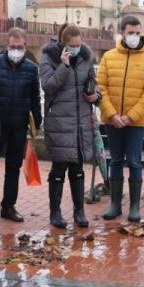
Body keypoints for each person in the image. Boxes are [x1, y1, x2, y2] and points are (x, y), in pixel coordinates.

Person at [96, 15, 144, 223]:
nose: (134, 36)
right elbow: (101, 87)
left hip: (136, 122)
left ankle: (134, 206)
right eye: (130, 32)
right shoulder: (109, 57)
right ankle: (115, 205)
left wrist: (130, 116)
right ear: (122, 33)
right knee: (115, 160)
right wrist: (112, 114)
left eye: (137, 33)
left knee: (134, 161)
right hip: (112, 120)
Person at [40, 24, 100, 229]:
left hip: (81, 121)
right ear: (63, 43)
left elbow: (93, 82)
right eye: (72, 45)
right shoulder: (49, 57)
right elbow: (48, 85)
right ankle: (55, 212)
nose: (76, 48)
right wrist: (63, 66)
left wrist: (96, 95)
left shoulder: (85, 58)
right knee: (59, 167)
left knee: (78, 167)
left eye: (79, 44)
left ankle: (79, 211)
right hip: (59, 121)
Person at [0, 27, 42, 222]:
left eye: (19, 47)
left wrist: (37, 121)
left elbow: (35, 96)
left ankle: (8, 206)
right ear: (6, 46)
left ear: (25, 46)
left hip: (18, 125)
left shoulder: (31, 68)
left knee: (13, 167)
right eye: (12, 46)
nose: (16, 50)